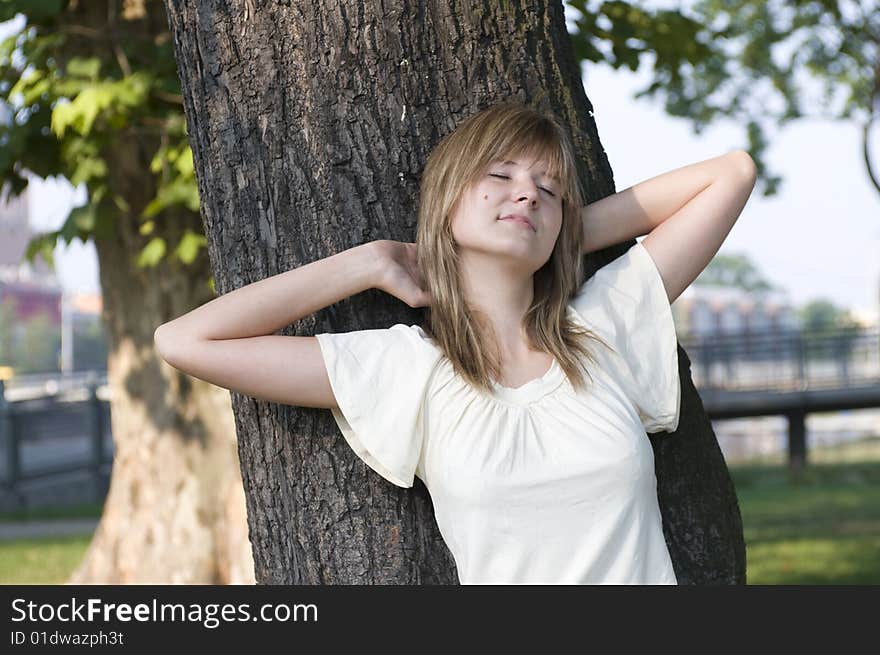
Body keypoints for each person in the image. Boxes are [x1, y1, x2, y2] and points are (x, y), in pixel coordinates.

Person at [154, 101, 757, 584]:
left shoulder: (604, 328)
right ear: (447, 202)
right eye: (501, 177)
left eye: (549, 191)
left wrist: (562, 236)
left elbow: (731, 174)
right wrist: (367, 263)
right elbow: (185, 340)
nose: (527, 194)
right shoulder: (408, 370)